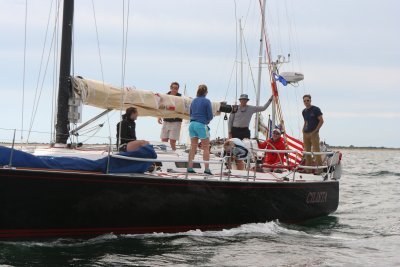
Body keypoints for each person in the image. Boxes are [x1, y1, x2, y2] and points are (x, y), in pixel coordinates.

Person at [187, 84, 213, 175]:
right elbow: (210, 115)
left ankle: (190, 168)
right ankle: (206, 169)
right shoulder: (207, 101)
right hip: (201, 125)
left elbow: (190, 113)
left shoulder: (193, 101)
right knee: (206, 147)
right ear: (206, 92)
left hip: (192, 124)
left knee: (193, 146)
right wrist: (207, 120)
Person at [158, 82, 182, 150]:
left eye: (176, 88)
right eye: (173, 88)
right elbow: (161, 106)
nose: (175, 89)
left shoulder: (181, 97)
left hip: (176, 121)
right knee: (163, 140)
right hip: (166, 120)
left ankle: (174, 158)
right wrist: (159, 116)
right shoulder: (165, 96)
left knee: (172, 142)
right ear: (170, 88)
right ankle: (162, 157)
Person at [302, 94, 324, 169]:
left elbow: (321, 121)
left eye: (307, 100)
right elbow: (305, 121)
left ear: (310, 101)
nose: (306, 102)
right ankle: (308, 169)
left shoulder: (316, 109)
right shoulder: (304, 111)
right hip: (306, 133)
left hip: (314, 133)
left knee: (316, 151)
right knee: (307, 152)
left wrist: (316, 130)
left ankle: (319, 169)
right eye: (304, 101)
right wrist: (303, 130)